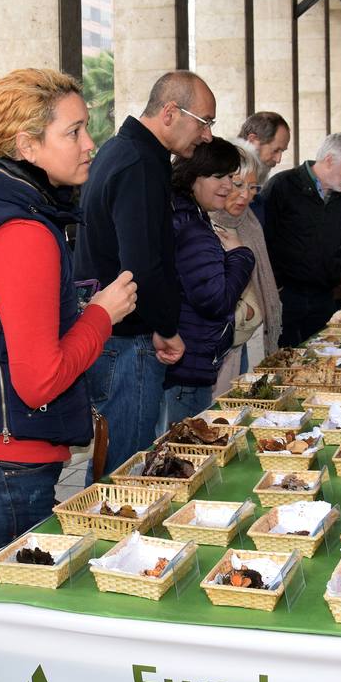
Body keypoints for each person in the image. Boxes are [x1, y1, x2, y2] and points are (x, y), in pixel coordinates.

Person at [0, 69, 138, 573]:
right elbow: (39, 381)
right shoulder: (23, 232)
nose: (90, 143)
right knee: (7, 632)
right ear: (27, 146)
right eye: (74, 131)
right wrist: (101, 315)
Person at [75, 70, 215, 477]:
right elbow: (142, 263)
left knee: (111, 459)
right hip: (125, 341)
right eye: (204, 121)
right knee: (124, 471)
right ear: (170, 112)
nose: (206, 135)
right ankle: (111, 539)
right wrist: (166, 326)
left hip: (115, 333)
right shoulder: (139, 162)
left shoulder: (125, 151)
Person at [159, 138, 256, 432]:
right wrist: (242, 256)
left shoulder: (187, 215)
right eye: (219, 177)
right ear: (193, 175)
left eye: (231, 177)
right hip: (188, 369)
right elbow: (216, 300)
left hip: (188, 362)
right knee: (183, 453)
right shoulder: (192, 227)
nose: (228, 186)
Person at [263, 132, 341, 346]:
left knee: (322, 354)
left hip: (324, 294)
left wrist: (338, 269)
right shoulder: (282, 186)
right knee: (284, 358)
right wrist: (277, 283)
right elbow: (264, 238)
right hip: (285, 296)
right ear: (329, 160)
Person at [211, 139, 282, 395]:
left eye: (252, 187)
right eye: (238, 185)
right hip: (221, 344)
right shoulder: (207, 225)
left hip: (251, 337)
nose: (245, 195)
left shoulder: (249, 221)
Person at [237, 111, 290, 224]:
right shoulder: (224, 183)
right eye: (275, 150)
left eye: (282, 151)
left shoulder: (257, 193)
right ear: (252, 141)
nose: (278, 159)